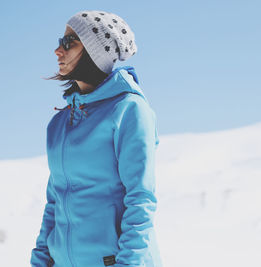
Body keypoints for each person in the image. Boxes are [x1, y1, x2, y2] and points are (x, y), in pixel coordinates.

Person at [30, 10, 163, 267]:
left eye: (69, 42)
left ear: (95, 50)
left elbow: (140, 199)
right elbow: (55, 202)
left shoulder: (129, 110)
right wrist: (41, 258)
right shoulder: (59, 124)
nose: (58, 51)